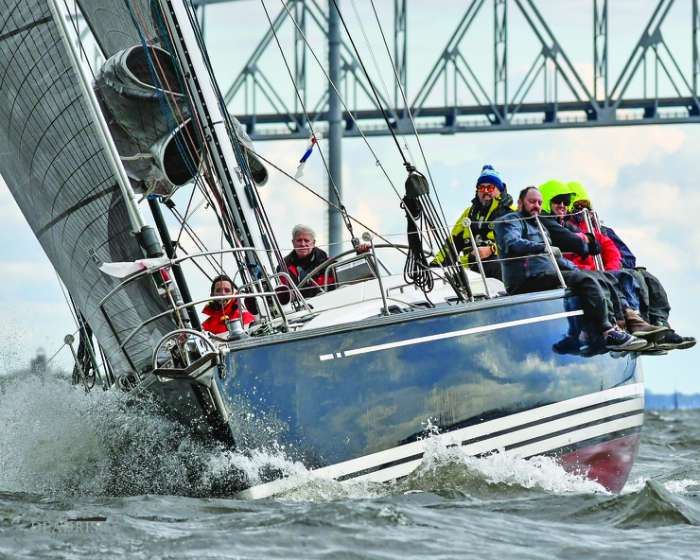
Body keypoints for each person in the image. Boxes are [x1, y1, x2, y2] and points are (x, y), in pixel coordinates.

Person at [493, 186, 646, 352]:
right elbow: (512, 243)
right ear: (520, 202)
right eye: (531, 201)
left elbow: (556, 257)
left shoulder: (539, 226)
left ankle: (620, 325)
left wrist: (575, 269)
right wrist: (543, 248)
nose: (536, 205)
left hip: (546, 274)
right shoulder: (510, 220)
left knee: (598, 276)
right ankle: (606, 331)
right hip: (526, 278)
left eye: (539, 202)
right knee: (585, 280)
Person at [564, 181, 694, 351]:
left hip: (611, 270)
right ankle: (632, 323)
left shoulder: (601, 230)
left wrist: (613, 268)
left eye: (584, 205)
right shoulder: (567, 231)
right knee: (622, 278)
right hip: (592, 274)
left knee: (644, 277)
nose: (581, 211)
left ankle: (657, 324)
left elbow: (623, 254)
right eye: (575, 206)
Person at [542, 181, 665, 341]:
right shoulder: (548, 225)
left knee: (641, 276)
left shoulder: (589, 228)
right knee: (607, 279)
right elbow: (570, 249)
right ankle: (624, 326)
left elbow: (608, 246)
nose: (564, 205)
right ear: (547, 202)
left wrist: (610, 268)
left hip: (597, 270)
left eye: (567, 201)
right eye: (558, 201)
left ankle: (654, 322)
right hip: (578, 273)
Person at [431, 164, 515, 280]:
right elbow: (452, 243)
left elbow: (518, 242)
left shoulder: (511, 213)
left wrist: (491, 249)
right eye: (481, 188)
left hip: (499, 263)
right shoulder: (469, 213)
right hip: (469, 267)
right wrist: (435, 265)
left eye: (490, 187)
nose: (485, 191)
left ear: (499, 190)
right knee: (444, 280)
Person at [278, 224, 336, 298]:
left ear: (313, 243)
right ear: (293, 242)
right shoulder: (283, 267)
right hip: (299, 308)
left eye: (306, 240)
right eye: (299, 240)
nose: (302, 244)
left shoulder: (328, 263)